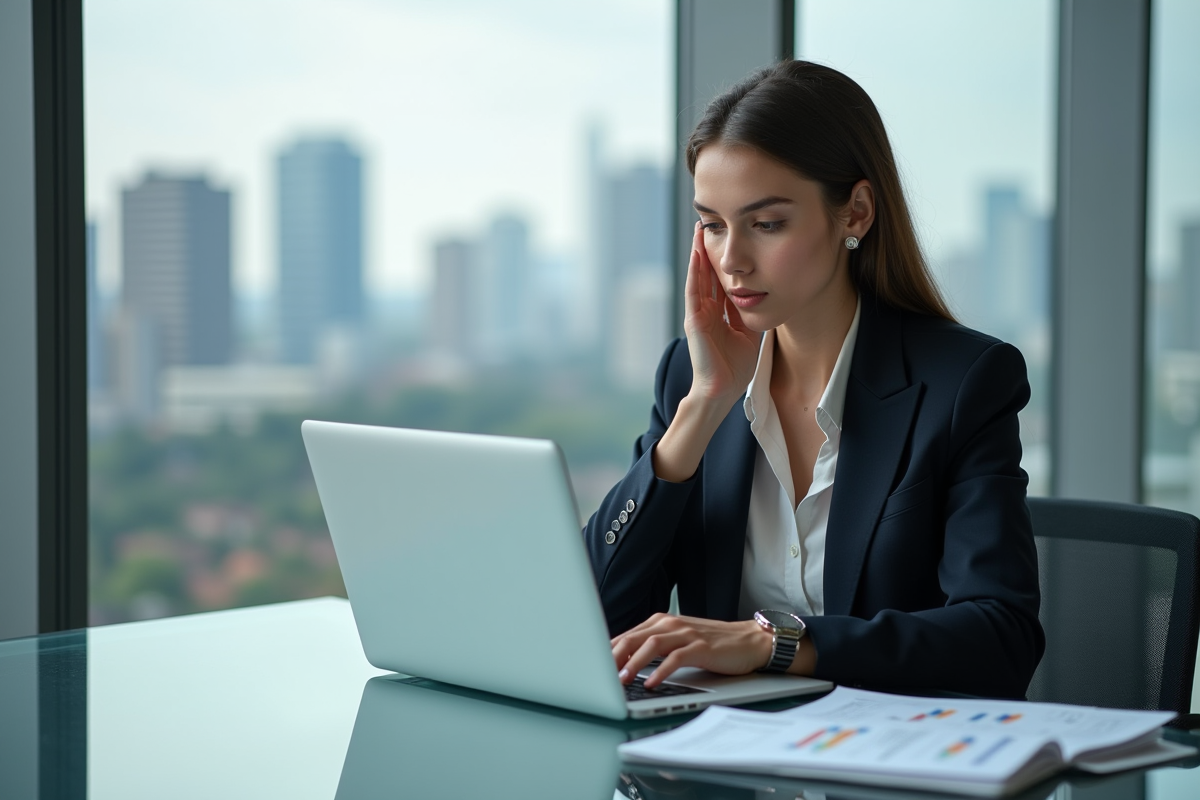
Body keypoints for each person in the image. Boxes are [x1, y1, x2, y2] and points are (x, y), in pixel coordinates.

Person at [583, 60, 1044, 700]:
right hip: (722, 763)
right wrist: (700, 411)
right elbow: (594, 617)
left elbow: (1000, 638)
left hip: (886, 766)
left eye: (766, 224)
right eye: (713, 225)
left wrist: (773, 643)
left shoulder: (962, 383)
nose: (732, 260)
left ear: (854, 213)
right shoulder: (691, 377)